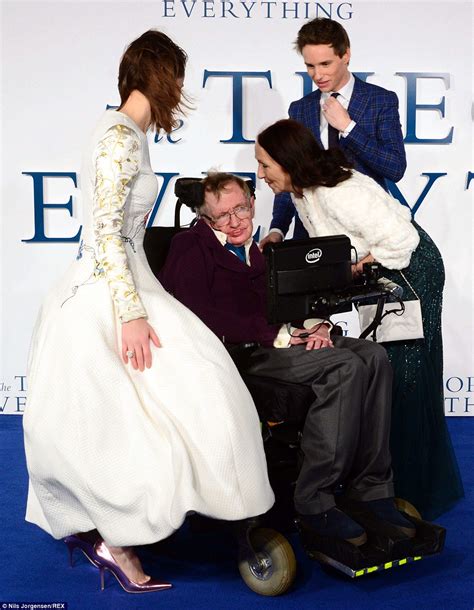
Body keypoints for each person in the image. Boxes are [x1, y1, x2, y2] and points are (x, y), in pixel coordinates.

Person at [22, 31, 274, 594]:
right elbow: (108, 231)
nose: (180, 94)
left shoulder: (127, 132)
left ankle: (155, 522)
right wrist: (131, 313)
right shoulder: (119, 137)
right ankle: (117, 540)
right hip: (112, 292)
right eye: (177, 81)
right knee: (131, 415)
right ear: (160, 76)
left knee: (194, 391)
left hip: (129, 282)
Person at [159, 171, 417, 549]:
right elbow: (197, 314)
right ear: (205, 218)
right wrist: (279, 335)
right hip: (237, 356)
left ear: (251, 203)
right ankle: (315, 501)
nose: (235, 222)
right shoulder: (189, 247)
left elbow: (291, 303)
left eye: (242, 209)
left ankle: (371, 488)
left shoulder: (260, 250)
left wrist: (317, 326)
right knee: (344, 368)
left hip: (278, 343)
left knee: (374, 356)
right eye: (223, 216)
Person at [255, 118, 464, 520]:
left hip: (409, 271)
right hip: (385, 270)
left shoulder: (337, 194)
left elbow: (403, 240)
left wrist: (359, 267)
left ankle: (412, 493)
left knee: (405, 379)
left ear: (287, 160)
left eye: (265, 164)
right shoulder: (304, 195)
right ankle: (387, 486)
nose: (260, 174)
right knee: (390, 376)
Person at [260, 17, 407, 246]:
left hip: (365, 238)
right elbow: (291, 174)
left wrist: (349, 128)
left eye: (325, 64)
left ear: (345, 55)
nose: (317, 75)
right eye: (310, 66)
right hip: (310, 236)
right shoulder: (300, 109)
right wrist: (277, 228)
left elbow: (395, 167)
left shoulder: (380, 100)